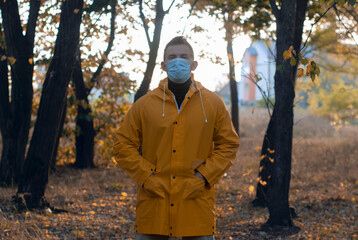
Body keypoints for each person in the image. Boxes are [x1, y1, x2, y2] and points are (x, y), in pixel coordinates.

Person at [113, 36, 239, 239]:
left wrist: (204, 176)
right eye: (172, 57)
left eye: (183, 56)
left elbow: (229, 145)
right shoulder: (145, 105)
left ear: (193, 64)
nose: (178, 61)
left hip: (196, 202)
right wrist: (146, 177)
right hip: (154, 204)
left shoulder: (213, 104)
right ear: (163, 65)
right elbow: (122, 144)